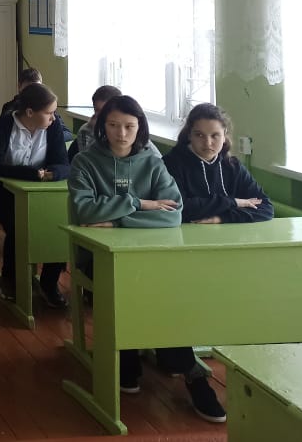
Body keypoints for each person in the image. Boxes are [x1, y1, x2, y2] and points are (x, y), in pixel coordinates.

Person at [70, 96, 223, 423]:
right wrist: (140, 203)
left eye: (129, 126)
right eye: (113, 125)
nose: (121, 134)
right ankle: (147, 358)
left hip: (149, 255)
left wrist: (116, 220)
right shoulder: (85, 162)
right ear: (102, 126)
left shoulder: (152, 162)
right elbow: (84, 212)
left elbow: (173, 214)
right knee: (133, 286)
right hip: (98, 255)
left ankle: (183, 367)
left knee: (166, 290)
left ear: (140, 127)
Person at [152, 102, 270, 423]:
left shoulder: (231, 166)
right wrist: (234, 202)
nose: (208, 143)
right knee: (177, 300)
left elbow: (265, 208)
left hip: (225, 256)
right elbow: (179, 207)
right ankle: (192, 373)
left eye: (215, 135)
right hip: (176, 254)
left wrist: (221, 216)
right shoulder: (171, 163)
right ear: (188, 135)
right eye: (200, 135)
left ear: (225, 135)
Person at [0, 82, 69, 306]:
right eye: (49, 113)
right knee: (18, 224)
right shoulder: (5, 125)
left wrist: (53, 173)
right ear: (30, 112)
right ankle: (10, 279)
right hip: (4, 196)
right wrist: (31, 174)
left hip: (42, 196)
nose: (53, 118)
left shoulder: (53, 127)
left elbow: (64, 164)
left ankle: (49, 283)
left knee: (58, 222)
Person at [67, 85, 122, 160]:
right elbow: (88, 161)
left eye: (105, 111)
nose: (101, 115)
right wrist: (94, 131)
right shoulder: (87, 130)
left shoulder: (127, 130)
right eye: (97, 110)